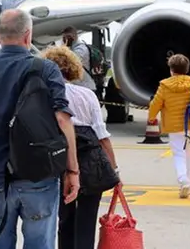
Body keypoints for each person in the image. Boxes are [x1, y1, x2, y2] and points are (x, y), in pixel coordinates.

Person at [0, 9, 79, 249]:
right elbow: (63, 120)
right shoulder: (46, 70)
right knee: (40, 243)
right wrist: (72, 171)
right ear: (28, 36)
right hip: (38, 175)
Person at [41, 46, 119, 249]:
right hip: (91, 160)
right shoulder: (87, 95)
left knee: (63, 219)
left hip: (58, 161)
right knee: (87, 219)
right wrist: (114, 169)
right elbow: (102, 136)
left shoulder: (43, 96)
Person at [146, 53, 190, 199]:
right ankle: (188, 185)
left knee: (178, 155)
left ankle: (183, 180)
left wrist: (151, 117)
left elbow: (156, 104)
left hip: (174, 126)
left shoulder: (165, 85)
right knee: (189, 154)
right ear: (187, 68)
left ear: (171, 69)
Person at [60, 27, 99, 95]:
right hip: (81, 87)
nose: (64, 41)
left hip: (85, 88)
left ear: (72, 37)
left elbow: (69, 62)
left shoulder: (81, 49)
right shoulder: (73, 49)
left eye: (65, 38)